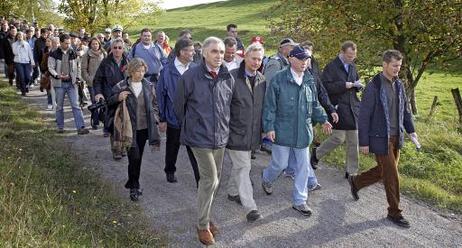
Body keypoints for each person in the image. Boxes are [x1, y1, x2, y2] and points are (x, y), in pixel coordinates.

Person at [174, 37, 234, 246]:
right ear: (205, 54)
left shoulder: (227, 76)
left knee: (213, 182)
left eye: (221, 52)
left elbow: (228, 106)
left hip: (220, 137)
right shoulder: (190, 77)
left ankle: (206, 216)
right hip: (198, 137)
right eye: (215, 52)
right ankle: (202, 226)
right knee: (210, 180)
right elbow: (178, 107)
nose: (219, 55)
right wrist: (193, 126)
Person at [348, 49, 418, 228]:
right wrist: (363, 142)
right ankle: (394, 212)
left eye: (399, 66)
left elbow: (405, 111)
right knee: (392, 176)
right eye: (395, 65)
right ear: (385, 64)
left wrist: (411, 131)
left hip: (396, 137)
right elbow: (364, 116)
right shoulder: (374, 86)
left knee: (383, 171)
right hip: (380, 138)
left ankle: (356, 182)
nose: (397, 69)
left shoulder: (399, 85)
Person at [261, 45, 332, 216]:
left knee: (303, 167)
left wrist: (323, 119)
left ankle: (300, 201)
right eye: (301, 59)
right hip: (282, 130)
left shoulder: (309, 80)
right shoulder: (279, 79)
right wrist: (269, 127)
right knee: (280, 164)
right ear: (291, 59)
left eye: (307, 59)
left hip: (303, 131)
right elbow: (270, 106)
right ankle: (267, 178)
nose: (304, 62)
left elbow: (314, 104)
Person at [284, 41, 339, 191]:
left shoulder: (313, 71)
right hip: (292, 119)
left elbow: (320, 94)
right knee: (299, 150)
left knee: (299, 149)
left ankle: (292, 171)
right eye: (303, 56)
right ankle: (310, 180)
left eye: (308, 57)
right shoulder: (286, 74)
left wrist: (330, 110)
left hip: (308, 118)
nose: (306, 60)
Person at [107, 58, 161, 201]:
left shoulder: (149, 85)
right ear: (131, 71)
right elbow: (109, 101)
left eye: (143, 71)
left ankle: (132, 182)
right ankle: (134, 187)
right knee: (134, 157)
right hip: (128, 128)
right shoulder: (122, 86)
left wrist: (155, 117)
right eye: (138, 70)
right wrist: (118, 97)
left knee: (137, 158)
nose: (141, 73)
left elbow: (155, 104)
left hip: (143, 128)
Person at [226, 43, 266, 222]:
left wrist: (264, 130)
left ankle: (233, 191)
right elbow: (223, 107)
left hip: (252, 133)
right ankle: (250, 207)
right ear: (245, 57)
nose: (256, 62)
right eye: (253, 58)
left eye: (259, 59)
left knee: (240, 165)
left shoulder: (262, 80)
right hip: (235, 132)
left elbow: (262, 108)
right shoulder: (231, 77)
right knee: (244, 167)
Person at [312, 41, 363, 179]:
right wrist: (343, 85)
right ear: (341, 52)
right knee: (338, 138)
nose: (351, 58)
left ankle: (351, 171)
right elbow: (325, 88)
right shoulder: (331, 67)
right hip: (338, 108)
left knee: (354, 140)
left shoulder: (352, 66)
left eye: (353, 56)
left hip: (353, 108)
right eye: (349, 56)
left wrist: (358, 86)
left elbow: (355, 81)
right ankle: (316, 154)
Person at [157, 38, 199, 185]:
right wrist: (162, 118)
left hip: (192, 118)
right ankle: (170, 170)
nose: (193, 53)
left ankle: (200, 179)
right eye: (191, 50)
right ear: (182, 52)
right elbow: (161, 94)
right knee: (172, 146)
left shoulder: (196, 68)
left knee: (195, 149)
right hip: (173, 117)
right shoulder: (167, 71)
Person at [94, 38, 129, 158]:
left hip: (126, 97)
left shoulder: (129, 62)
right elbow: (97, 80)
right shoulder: (105, 62)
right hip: (111, 97)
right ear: (111, 49)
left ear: (123, 49)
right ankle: (116, 150)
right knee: (114, 124)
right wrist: (98, 93)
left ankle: (123, 147)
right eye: (115, 48)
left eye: (120, 48)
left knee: (125, 123)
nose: (117, 50)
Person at [48, 34, 89, 135]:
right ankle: (60, 127)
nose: (68, 45)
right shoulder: (53, 53)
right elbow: (50, 67)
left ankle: (80, 127)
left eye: (69, 43)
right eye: (66, 43)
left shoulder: (73, 53)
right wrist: (58, 75)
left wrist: (78, 77)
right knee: (59, 106)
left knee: (76, 105)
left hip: (72, 83)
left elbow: (78, 66)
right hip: (59, 84)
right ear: (61, 43)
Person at [81, 37, 107, 129]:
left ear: (99, 44)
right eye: (93, 44)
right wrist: (89, 79)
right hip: (92, 82)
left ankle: (104, 121)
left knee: (103, 103)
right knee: (94, 102)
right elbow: (83, 70)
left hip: (103, 82)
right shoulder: (86, 55)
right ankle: (95, 121)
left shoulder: (104, 54)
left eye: (97, 44)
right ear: (90, 45)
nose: (95, 46)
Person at [12, 31, 35, 96]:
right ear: (17, 37)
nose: (20, 37)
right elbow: (15, 52)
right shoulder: (14, 44)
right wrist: (19, 45)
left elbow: (30, 53)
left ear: (23, 37)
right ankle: (23, 91)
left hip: (26, 62)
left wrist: (32, 62)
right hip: (18, 62)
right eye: (18, 36)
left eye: (21, 36)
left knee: (28, 77)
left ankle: (26, 86)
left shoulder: (26, 44)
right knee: (21, 77)